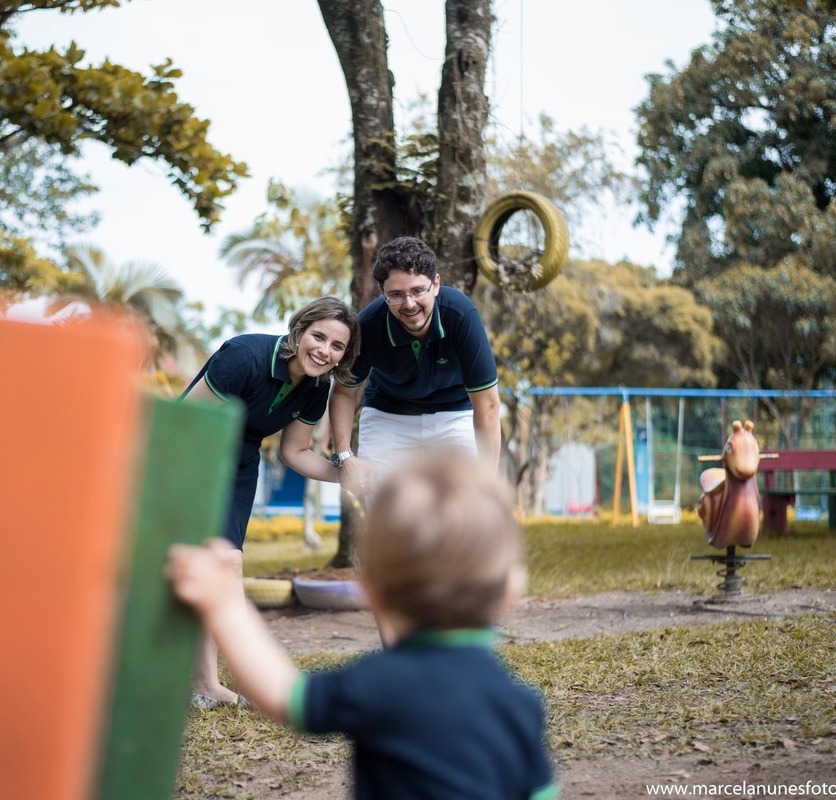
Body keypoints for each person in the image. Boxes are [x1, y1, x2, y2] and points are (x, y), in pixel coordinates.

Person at [166, 448, 557, 800]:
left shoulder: (377, 683)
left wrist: (224, 607)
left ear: (371, 590)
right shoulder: (521, 705)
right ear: (509, 591)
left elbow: (282, 693)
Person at [181, 296, 360, 707]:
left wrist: (346, 476)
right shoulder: (244, 356)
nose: (324, 351)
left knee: (226, 562)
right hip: (190, 451)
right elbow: (189, 422)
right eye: (319, 336)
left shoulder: (318, 388)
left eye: (337, 347)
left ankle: (205, 686)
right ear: (298, 331)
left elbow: (294, 452)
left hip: (240, 460)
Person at [327, 236, 501, 497]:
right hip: (388, 414)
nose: (409, 304)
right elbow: (343, 391)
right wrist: (345, 455)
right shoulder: (368, 326)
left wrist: (489, 480)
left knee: (466, 504)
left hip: (453, 412)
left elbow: (487, 406)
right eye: (396, 295)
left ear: (436, 285)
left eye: (417, 291)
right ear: (382, 294)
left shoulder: (461, 316)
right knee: (383, 507)